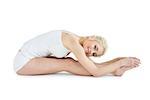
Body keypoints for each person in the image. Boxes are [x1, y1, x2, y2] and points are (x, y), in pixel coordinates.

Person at [13, 30, 141, 77]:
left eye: (95, 53)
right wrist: (121, 62)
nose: (91, 52)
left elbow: (92, 65)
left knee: (71, 62)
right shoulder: (73, 42)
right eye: (95, 46)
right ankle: (114, 71)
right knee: (68, 63)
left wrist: (116, 60)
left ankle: (115, 71)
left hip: (31, 59)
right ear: (91, 37)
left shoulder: (77, 41)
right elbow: (95, 72)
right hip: (24, 62)